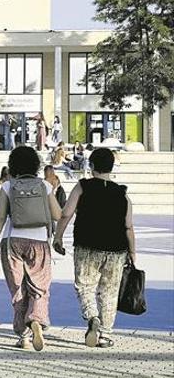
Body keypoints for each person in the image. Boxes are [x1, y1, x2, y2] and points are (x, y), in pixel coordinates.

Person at [53, 148, 135, 348]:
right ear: (111, 167)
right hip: (116, 250)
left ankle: (92, 316)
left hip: (87, 245)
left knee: (85, 286)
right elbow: (128, 226)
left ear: (91, 166)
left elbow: (66, 213)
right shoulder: (122, 193)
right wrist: (132, 253)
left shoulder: (83, 186)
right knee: (109, 291)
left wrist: (58, 238)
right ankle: (105, 335)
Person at [0, 146, 62, 351]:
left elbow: (0, 217)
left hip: (12, 242)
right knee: (39, 286)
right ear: (36, 164)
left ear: (13, 164)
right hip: (39, 243)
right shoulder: (44, 185)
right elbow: (57, 215)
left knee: (18, 288)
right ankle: (36, 319)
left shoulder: (8, 187)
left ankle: (24, 336)